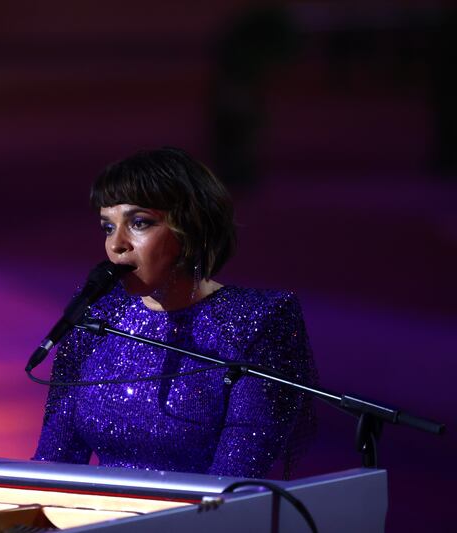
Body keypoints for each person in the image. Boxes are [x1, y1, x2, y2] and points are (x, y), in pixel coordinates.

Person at [33, 147, 316, 479]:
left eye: (139, 223)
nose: (117, 244)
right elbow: (53, 465)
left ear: (190, 229)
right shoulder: (98, 314)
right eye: (108, 227)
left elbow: (234, 484)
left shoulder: (255, 322)